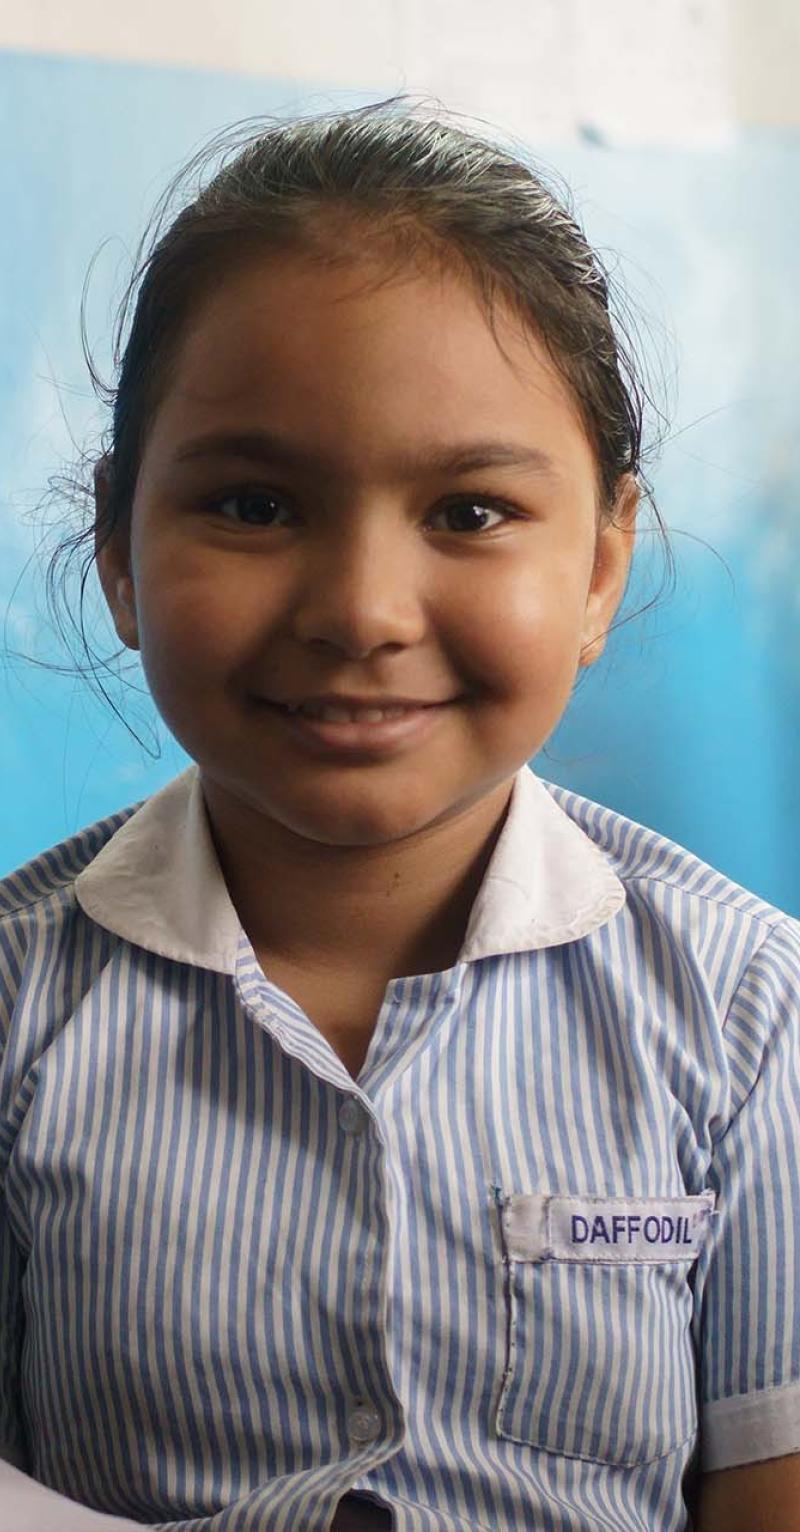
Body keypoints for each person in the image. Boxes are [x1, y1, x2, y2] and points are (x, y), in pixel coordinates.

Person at [0, 95, 798, 1532]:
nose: (362, 612)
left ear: (605, 562)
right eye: (252, 503)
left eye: (472, 513)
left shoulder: (749, 1015)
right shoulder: (16, 1004)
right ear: (118, 546)